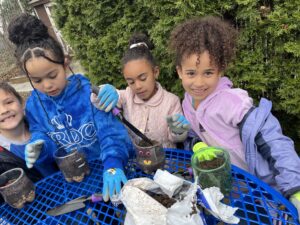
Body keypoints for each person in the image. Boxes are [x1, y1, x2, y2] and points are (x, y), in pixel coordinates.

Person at [168, 16, 300, 221]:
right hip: (230, 188)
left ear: (220, 70)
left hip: (260, 191)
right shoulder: (187, 102)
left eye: (208, 72)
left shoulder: (233, 102)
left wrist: (295, 187)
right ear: (179, 72)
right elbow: (198, 133)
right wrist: (195, 143)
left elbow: (274, 141)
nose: (199, 82)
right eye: (191, 73)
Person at [8, 13, 134, 202]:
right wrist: (38, 145)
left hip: (112, 167)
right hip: (79, 180)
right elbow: (42, 135)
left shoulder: (87, 94)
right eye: (37, 80)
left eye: (52, 75)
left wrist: (113, 163)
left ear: (65, 64)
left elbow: (110, 133)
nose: (47, 85)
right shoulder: (34, 106)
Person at [91, 33, 190, 148]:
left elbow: (176, 138)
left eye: (142, 78)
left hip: (165, 161)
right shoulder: (127, 96)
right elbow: (99, 101)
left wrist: (178, 131)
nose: (137, 86)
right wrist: (103, 91)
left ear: (155, 72)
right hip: (136, 160)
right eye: (131, 82)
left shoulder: (171, 101)